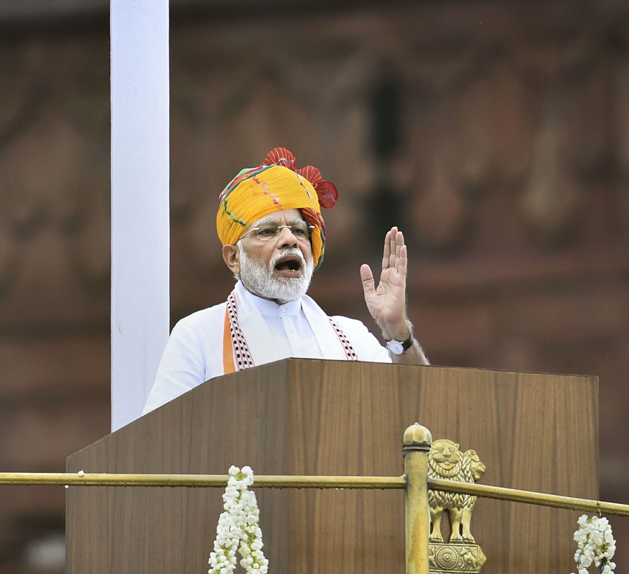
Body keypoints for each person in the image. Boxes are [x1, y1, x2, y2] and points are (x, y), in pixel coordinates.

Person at [142, 146, 428, 414]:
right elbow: (159, 446)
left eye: (299, 231)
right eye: (267, 231)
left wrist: (397, 331)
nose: (289, 240)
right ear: (233, 258)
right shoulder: (198, 335)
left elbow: (416, 411)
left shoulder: (351, 337)